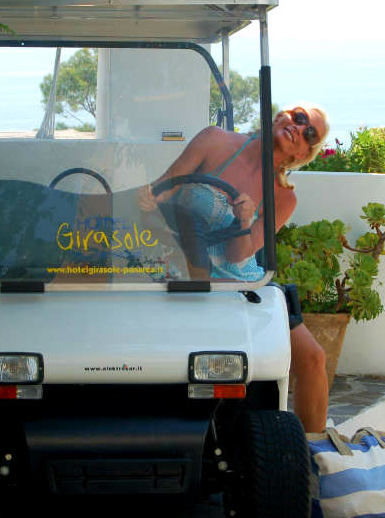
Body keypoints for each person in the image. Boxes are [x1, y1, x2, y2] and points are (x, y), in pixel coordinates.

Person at [138, 104, 331, 432]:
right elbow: (161, 189)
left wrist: (244, 220)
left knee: (313, 357)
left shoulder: (284, 198)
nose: (298, 128)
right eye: (298, 117)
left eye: (309, 132)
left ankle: (314, 451)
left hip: (238, 283)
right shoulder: (214, 141)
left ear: (304, 152)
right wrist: (144, 200)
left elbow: (238, 253)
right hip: (184, 269)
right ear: (281, 116)